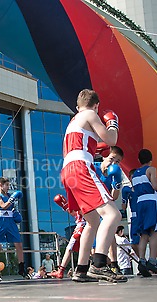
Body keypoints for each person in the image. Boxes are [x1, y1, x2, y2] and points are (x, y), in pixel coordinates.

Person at [60, 89, 126, 283]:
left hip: (68, 170)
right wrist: (112, 122)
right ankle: (98, 265)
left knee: (92, 221)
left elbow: (95, 142)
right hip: (80, 166)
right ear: (96, 105)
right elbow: (111, 140)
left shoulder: (75, 121)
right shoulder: (90, 114)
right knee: (113, 215)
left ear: (77, 106)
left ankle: (81, 270)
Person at [132, 149, 157, 277]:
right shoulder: (151, 169)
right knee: (155, 232)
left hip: (139, 203)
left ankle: (142, 261)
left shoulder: (134, 174)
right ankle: (153, 261)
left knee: (144, 233)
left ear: (139, 160)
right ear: (151, 159)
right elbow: (155, 185)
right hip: (150, 200)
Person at [93, 145, 124, 274]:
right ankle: (95, 264)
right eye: (111, 159)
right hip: (93, 205)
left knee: (110, 233)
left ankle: (113, 263)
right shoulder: (93, 167)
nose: (113, 163)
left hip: (105, 205)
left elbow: (114, 197)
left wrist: (116, 184)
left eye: (117, 161)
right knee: (94, 236)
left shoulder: (114, 174)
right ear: (105, 156)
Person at [0, 177, 25, 277]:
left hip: (10, 221)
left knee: (18, 244)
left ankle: (21, 268)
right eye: (7, 185)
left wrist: (16, 213)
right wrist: (12, 200)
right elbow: (4, 206)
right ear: (0, 185)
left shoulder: (9, 195)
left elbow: (11, 208)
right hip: (0, 220)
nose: (8, 187)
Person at [50, 194, 86, 279]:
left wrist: (66, 206)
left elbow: (79, 212)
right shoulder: (82, 200)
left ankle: (61, 271)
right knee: (87, 250)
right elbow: (75, 213)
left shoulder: (82, 201)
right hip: (86, 226)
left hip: (82, 226)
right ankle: (107, 266)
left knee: (69, 248)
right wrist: (65, 206)